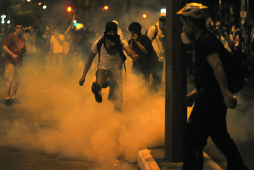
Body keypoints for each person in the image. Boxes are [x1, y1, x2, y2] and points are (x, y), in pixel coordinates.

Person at [177, 3, 248, 170]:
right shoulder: (205, 39)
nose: (183, 27)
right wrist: (196, 92)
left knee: (193, 139)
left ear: (192, 23)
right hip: (208, 96)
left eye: (185, 22)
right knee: (219, 136)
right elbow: (208, 72)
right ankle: (239, 167)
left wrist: (225, 94)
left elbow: (217, 66)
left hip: (211, 99)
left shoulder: (205, 41)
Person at [79, 21, 138, 112]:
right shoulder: (99, 43)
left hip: (117, 76)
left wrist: (133, 55)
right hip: (104, 75)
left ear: (116, 32)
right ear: (106, 32)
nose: (111, 34)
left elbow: (128, 50)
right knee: (101, 71)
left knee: (118, 104)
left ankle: (118, 123)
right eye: (109, 32)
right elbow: (89, 60)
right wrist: (83, 76)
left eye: (113, 32)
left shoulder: (121, 42)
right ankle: (98, 91)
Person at [3, 23, 26, 105]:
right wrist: (12, 54)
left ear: (22, 29)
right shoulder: (11, 36)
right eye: (18, 28)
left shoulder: (23, 38)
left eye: (20, 28)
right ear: (15, 28)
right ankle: (7, 98)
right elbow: (4, 47)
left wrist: (23, 48)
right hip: (10, 61)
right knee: (10, 79)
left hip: (19, 62)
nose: (19, 29)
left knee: (18, 80)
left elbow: (24, 51)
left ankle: (13, 97)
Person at [146, 12, 166, 91]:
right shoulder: (153, 28)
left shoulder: (166, 30)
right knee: (149, 77)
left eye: (165, 20)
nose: (164, 22)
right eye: (162, 19)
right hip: (153, 58)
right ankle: (146, 95)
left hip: (161, 58)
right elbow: (147, 42)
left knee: (158, 79)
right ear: (159, 19)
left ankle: (153, 96)